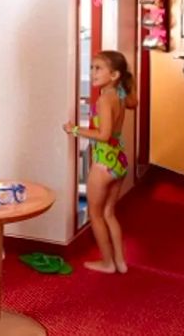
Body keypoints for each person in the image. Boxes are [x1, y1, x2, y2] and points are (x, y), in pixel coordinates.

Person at [63, 50, 137, 274]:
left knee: (95, 215)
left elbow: (103, 135)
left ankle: (107, 263)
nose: (93, 72)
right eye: (92, 68)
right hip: (120, 161)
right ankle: (120, 262)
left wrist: (74, 130)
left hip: (104, 162)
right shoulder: (121, 93)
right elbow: (134, 102)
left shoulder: (105, 99)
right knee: (109, 213)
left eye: (98, 69)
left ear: (114, 74)